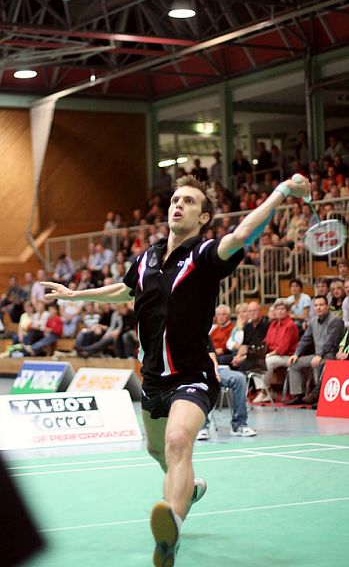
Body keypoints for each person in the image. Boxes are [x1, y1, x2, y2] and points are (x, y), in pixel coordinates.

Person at [41, 173, 310, 567]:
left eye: (188, 201)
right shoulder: (147, 257)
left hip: (192, 373)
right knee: (158, 449)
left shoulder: (204, 256)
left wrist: (282, 191)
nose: (177, 205)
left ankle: (172, 532)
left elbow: (243, 234)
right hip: (152, 376)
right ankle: (191, 488)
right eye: (174, 200)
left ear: (203, 218)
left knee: (178, 441)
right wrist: (76, 295)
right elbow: (126, 288)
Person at [285, 295, 344, 405]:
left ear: (327, 306)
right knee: (294, 363)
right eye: (316, 305)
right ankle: (299, 395)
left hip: (331, 354)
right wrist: (296, 354)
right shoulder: (313, 321)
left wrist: (320, 355)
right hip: (317, 354)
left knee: (321, 363)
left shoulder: (336, 320)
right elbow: (305, 339)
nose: (318, 307)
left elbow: (331, 342)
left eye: (321, 305)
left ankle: (319, 397)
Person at [197, 338, 257, 440]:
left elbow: (212, 358)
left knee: (239, 378)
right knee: (199, 380)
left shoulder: (204, 336)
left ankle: (239, 425)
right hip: (192, 373)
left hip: (212, 369)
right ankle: (201, 427)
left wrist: (214, 372)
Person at [253, 299, 299, 403]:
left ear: (287, 311)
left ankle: (265, 392)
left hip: (288, 356)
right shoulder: (273, 324)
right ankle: (266, 391)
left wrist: (269, 354)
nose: (279, 311)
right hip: (274, 355)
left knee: (267, 361)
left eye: (282, 309)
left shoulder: (290, 325)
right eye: (277, 309)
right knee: (255, 359)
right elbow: (266, 342)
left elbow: (283, 347)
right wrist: (257, 351)